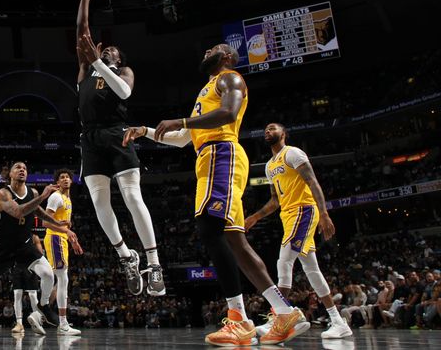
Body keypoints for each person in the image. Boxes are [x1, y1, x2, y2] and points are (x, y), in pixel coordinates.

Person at [123, 44, 309, 346]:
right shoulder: (206, 90)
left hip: (222, 154)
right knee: (234, 240)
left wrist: (182, 120)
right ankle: (284, 311)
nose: (206, 50)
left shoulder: (230, 78)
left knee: (209, 230)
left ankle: (239, 319)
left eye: (214, 48)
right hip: (210, 156)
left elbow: (229, 113)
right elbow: (186, 138)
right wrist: (145, 129)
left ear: (226, 57)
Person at [73, 0, 164, 297]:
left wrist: (102, 63)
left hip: (117, 132)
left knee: (131, 196)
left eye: (112, 50)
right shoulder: (86, 67)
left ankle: (153, 262)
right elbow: (82, 30)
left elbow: (124, 94)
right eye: (104, 49)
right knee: (99, 201)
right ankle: (127, 257)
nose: (107, 49)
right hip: (90, 137)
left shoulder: (122, 71)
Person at [244, 123, 352, 339]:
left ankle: (280, 318)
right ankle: (338, 322)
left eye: (272, 128)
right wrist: (255, 217)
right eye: (265, 129)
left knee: (284, 260)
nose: (267, 131)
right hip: (288, 216)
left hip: (304, 210)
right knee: (312, 270)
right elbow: (275, 200)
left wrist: (324, 213)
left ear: (283, 134)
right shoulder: (269, 166)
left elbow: (312, 182)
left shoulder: (292, 153)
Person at [0, 162, 81, 337]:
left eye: (25, 168)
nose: (22, 170)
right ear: (10, 174)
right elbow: (19, 211)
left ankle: (43, 305)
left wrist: (57, 222)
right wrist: (43, 196)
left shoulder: (32, 192)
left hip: (24, 246)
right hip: (1, 248)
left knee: (49, 274)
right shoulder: (3, 193)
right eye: (18, 167)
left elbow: (38, 212)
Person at [43, 168, 82, 335]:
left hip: (62, 240)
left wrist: (73, 240)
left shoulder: (67, 199)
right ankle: (62, 323)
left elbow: (64, 225)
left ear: (71, 181)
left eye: (68, 177)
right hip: (55, 238)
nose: (65, 179)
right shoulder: (56, 197)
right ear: (57, 182)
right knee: (62, 280)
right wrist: (66, 232)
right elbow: (45, 222)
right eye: (62, 177)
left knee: (59, 281)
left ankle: (38, 314)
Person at [11, 236, 44, 334]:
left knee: (33, 295)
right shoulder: (13, 236)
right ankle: (19, 324)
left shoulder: (34, 237)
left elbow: (40, 254)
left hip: (31, 266)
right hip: (17, 266)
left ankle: (37, 321)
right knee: (17, 294)